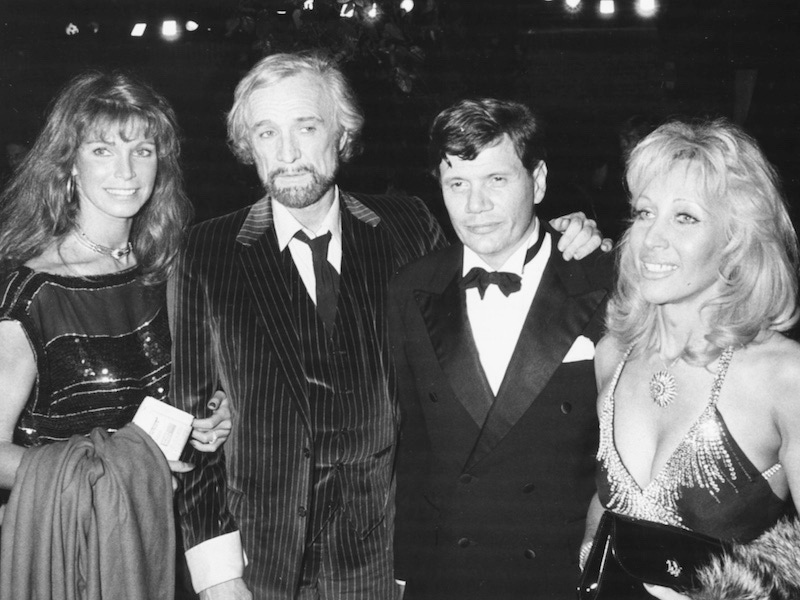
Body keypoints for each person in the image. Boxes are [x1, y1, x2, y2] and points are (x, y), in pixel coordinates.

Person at [169, 52, 606, 600]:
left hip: (378, 563)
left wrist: (573, 235)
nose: (287, 153)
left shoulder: (408, 228)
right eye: (265, 132)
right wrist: (218, 575)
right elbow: (193, 428)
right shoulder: (204, 252)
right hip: (260, 562)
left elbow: (497, 272)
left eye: (307, 127)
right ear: (246, 144)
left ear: (342, 132)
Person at [0, 70, 231, 597]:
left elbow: (185, 396)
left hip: (172, 543)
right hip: (73, 554)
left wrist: (215, 414)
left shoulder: (173, 271)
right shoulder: (30, 295)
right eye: (102, 150)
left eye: (143, 150)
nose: (126, 171)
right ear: (69, 166)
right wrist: (121, 470)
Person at [388, 98, 614, 600]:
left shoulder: (603, 278)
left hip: (565, 575)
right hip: (449, 576)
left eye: (497, 180)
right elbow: (413, 450)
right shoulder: (411, 288)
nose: (475, 207)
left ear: (538, 181)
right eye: (457, 185)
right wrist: (405, 572)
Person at [582, 118, 800, 600]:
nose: (650, 240)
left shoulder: (784, 376)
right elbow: (603, 509)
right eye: (643, 213)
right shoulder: (612, 356)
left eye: (684, 218)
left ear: (736, 238)